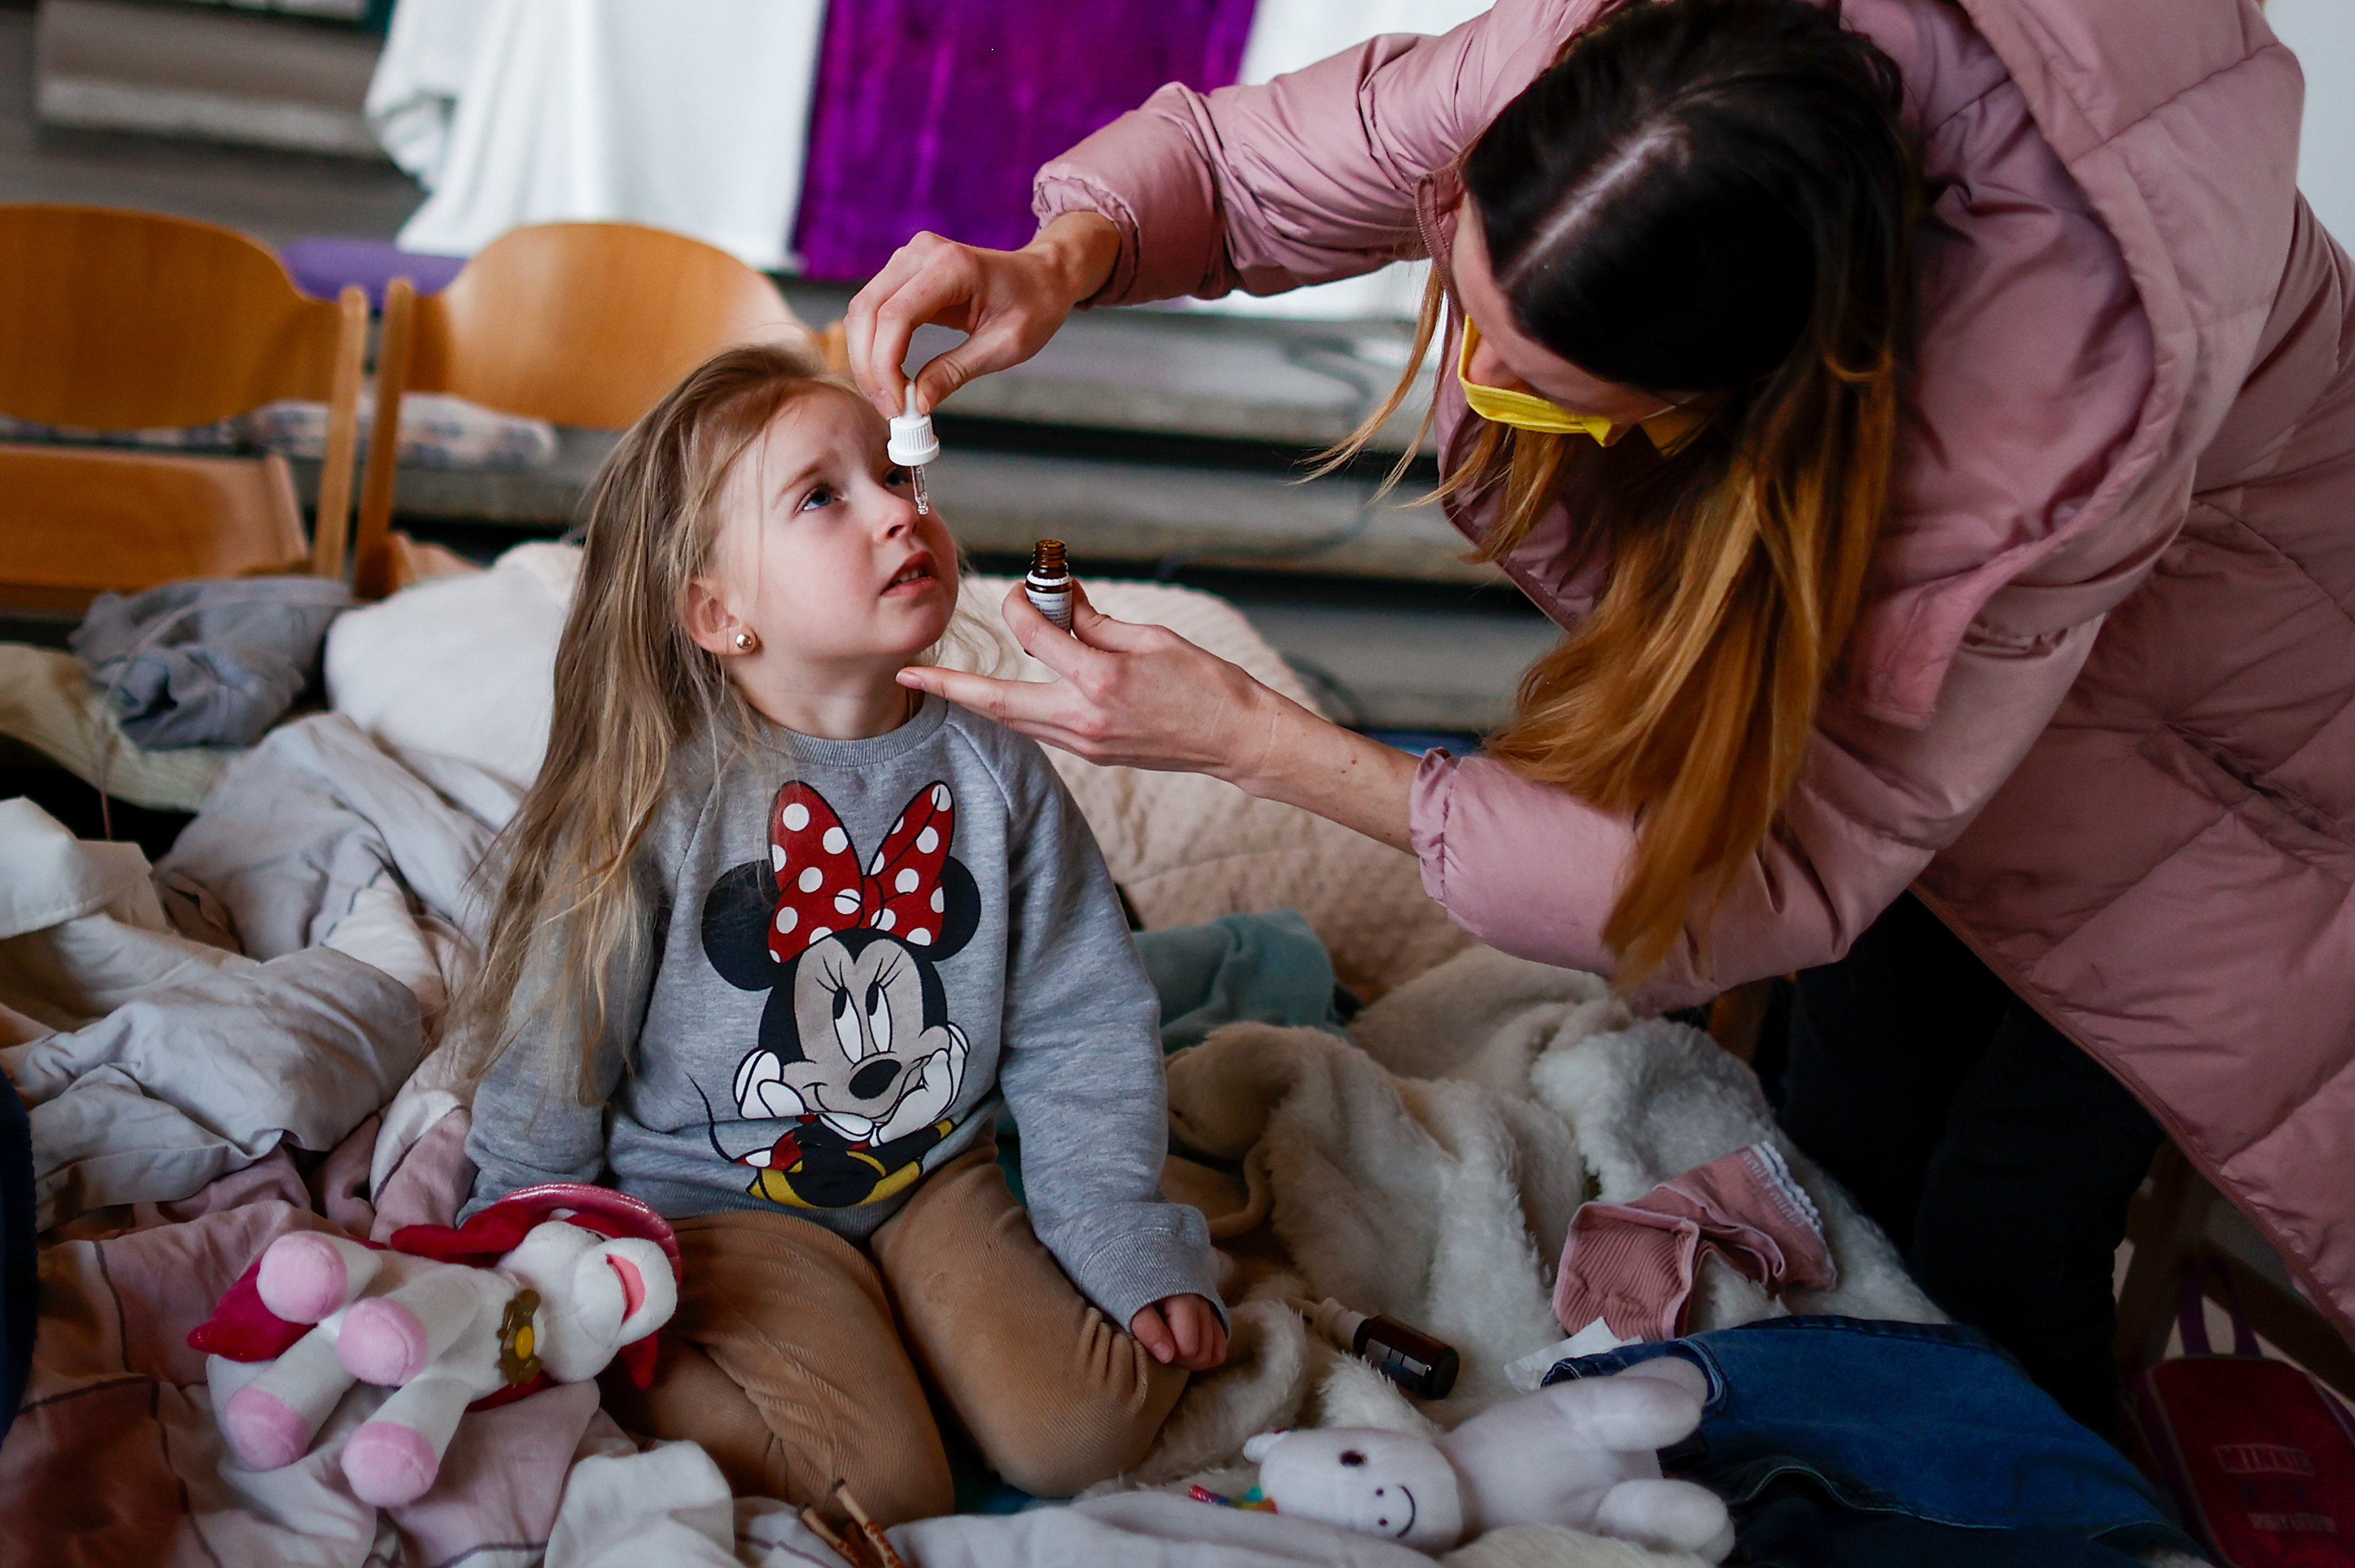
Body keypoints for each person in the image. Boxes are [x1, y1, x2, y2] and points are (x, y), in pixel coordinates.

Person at [844, 0, 2353, 1441]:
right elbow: (1262, 158)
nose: (1475, 383)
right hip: (1956, 721)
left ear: (1757, 398)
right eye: (1472, 307)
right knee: (1829, 1150)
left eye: (1542, 382)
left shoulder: (2022, 443)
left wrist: (1257, 742)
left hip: (2218, 782)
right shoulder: (1619, 71)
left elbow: (1748, 878)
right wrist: (1066, 253)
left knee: (1998, 1235)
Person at [455, 343, 1226, 1523]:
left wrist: (1117, 1232)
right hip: (720, 1199)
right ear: (720, 613)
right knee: (880, 1489)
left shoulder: (997, 774)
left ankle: (913, 1316)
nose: (894, 513)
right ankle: (736, 1356)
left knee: (1079, 1433)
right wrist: (536, 1242)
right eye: (822, 497)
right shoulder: (661, 803)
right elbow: (561, 1037)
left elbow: (1080, 1019)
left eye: (896, 478)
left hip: (934, 1176)